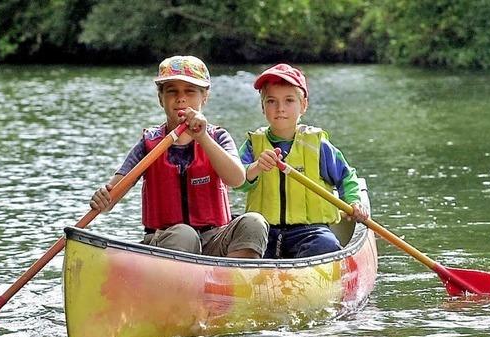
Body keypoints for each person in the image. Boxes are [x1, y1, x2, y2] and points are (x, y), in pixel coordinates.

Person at [90, 55, 268, 258]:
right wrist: (103, 198)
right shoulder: (148, 144)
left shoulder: (218, 137)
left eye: (190, 91)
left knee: (254, 222)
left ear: (204, 97)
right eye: (172, 91)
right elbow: (113, 195)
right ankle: (177, 284)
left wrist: (202, 138)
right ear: (160, 98)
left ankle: (233, 281)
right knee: (185, 234)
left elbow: (237, 179)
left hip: (213, 239)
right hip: (166, 243)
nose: (181, 98)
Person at [236, 63, 369, 259]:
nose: (280, 108)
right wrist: (255, 168)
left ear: (303, 105)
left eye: (289, 100)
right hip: (265, 231)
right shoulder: (252, 145)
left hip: (309, 231)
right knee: (242, 242)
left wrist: (354, 201)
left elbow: (346, 176)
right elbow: (237, 181)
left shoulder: (318, 145)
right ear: (262, 107)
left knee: (326, 244)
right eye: (271, 101)